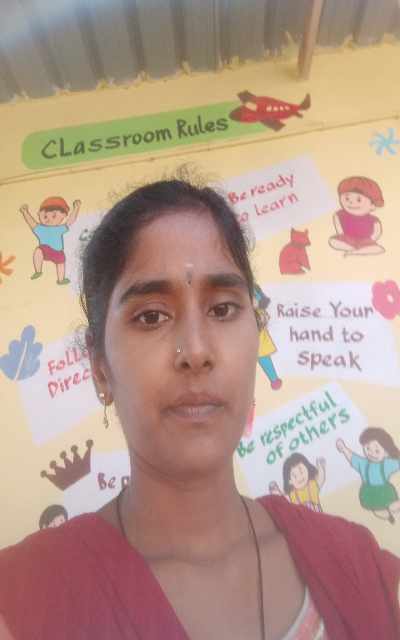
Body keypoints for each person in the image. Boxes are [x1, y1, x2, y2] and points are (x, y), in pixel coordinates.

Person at [1, 178, 399, 640]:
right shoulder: (25, 600)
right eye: (151, 316)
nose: (195, 350)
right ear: (99, 367)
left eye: (223, 309)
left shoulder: (360, 569)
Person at [337, 427, 400, 524]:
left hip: (385, 491)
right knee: (377, 511)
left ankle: (392, 510)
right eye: (367, 448)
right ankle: (389, 517)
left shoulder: (387, 464)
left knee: (393, 506)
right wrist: (344, 449)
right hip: (369, 493)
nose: (371, 453)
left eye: (377, 451)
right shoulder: (363, 464)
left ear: (386, 453)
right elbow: (353, 458)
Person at [20, 196, 81, 284]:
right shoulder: (40, 229)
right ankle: (38, 271)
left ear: (63, 215)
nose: (49, 219)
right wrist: (25, 212)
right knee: (38, 251)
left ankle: (61, 280)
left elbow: (71, 221)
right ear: (39, 214)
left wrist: (76, 208)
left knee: (61, 263)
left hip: (57, 251)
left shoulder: (59, 228)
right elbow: (31, 222)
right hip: (45, 249)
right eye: (45, 216)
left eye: (54, 216)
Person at [328, 176, 385, 256]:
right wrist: (341, 234)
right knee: (333, 241)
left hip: (365, 241)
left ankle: (356, 251)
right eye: (347, 198)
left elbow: (377, 232)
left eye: (359, 200)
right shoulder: (340, 214)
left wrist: (371, 240)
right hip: (347, 239)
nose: (351, 202)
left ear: (372, 205)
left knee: (378, 249)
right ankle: (357, 249)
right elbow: (337, 223)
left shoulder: (373, 219)